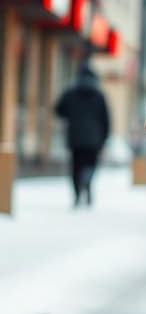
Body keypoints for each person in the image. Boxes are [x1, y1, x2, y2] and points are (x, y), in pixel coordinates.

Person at [54, 62, 110, 206]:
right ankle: (87, 181)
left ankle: (77, 195)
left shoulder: (71, 92)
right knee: (91, 165)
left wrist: (71, 114)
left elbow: (58, 110)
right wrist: (104, 139)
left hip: (75, 138)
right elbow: (106, 119)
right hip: (94, 139)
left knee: (75, 167)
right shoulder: (99, 95)